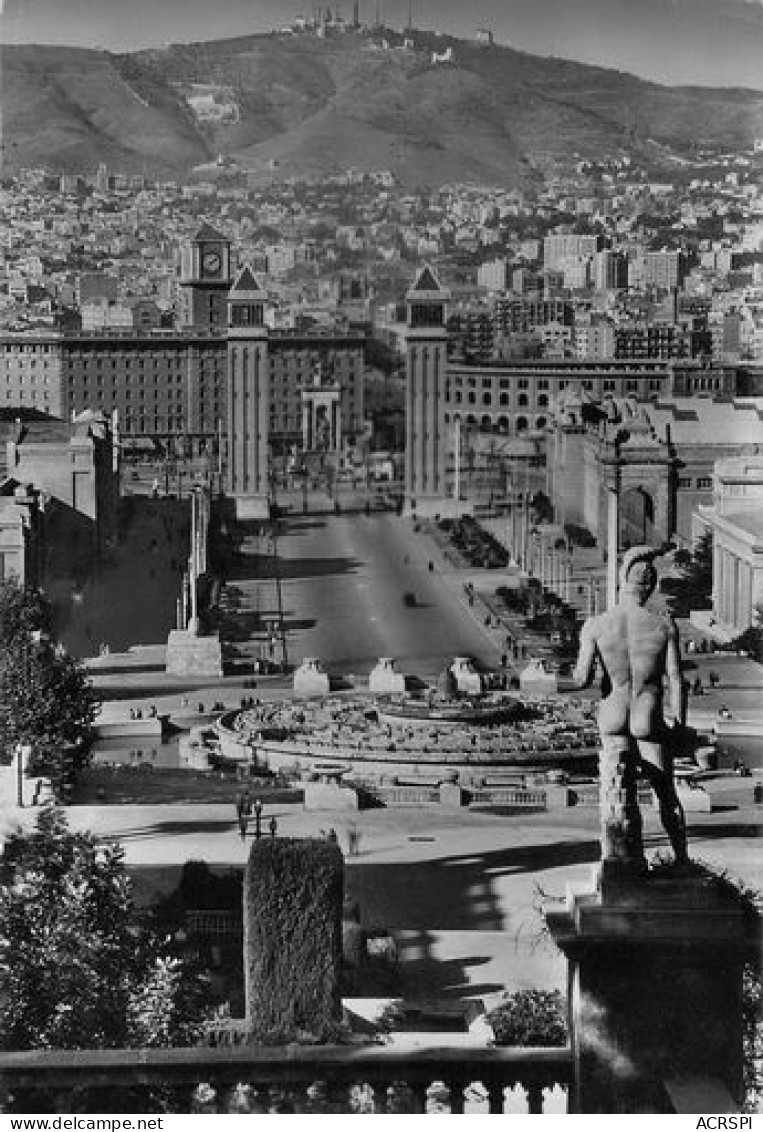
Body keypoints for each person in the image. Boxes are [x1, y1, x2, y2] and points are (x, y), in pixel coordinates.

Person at [562, 545, 688, 864]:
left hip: (613, 714)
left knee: (618, 792)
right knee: (666, 796)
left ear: (622, 581)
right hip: (647, 714)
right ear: (651, 585)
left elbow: (581, 680)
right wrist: (681, 724)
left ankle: (620, 859)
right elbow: (676, 680)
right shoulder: (663, 625)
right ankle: (682, 858)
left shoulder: (596, 624)